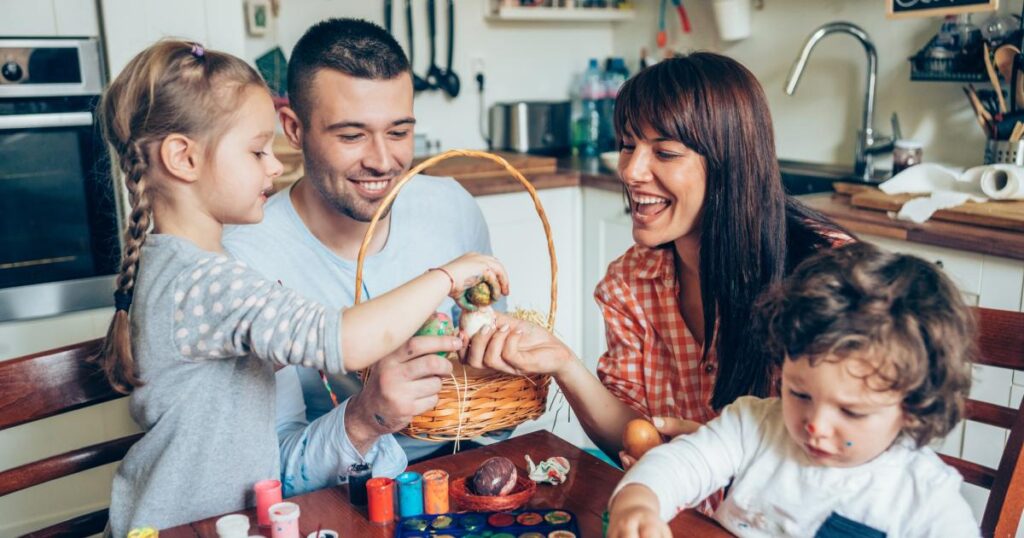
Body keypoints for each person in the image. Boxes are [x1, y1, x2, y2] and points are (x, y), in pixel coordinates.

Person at [95, 40, 508, 534]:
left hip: (231, 520)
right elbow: (341, 339)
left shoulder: (194, 269)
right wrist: (445, 275)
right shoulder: (209, 280)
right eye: (256, 151)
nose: (274, 165)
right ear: (183, 158)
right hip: (188, 526)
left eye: (399, 131)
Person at [463, 52, 851, 464]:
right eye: (629, 146)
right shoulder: (629, 282)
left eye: (664, 152)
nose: (631, 171)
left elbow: (860, 447)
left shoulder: (828, 274)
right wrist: (563, 363)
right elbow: (633, 435)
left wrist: (729, 458)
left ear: (729, 164)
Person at [222, 18, 503, 495]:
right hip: (335, 497)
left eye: (398, 132)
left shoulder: (451, 206)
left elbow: (492, 397)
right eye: (352, 136)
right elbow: (268, 475)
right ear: (293, 129)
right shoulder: (244, 257)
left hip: (460, 474)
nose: (381, 161)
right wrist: (365, 418)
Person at [606, 242, 979, 537]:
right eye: (798, 393)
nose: (814, 424)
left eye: (850, 411)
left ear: (913, 408)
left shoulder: (926, 501)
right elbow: (679, 464)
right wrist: (638, 502)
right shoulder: (754, 426)